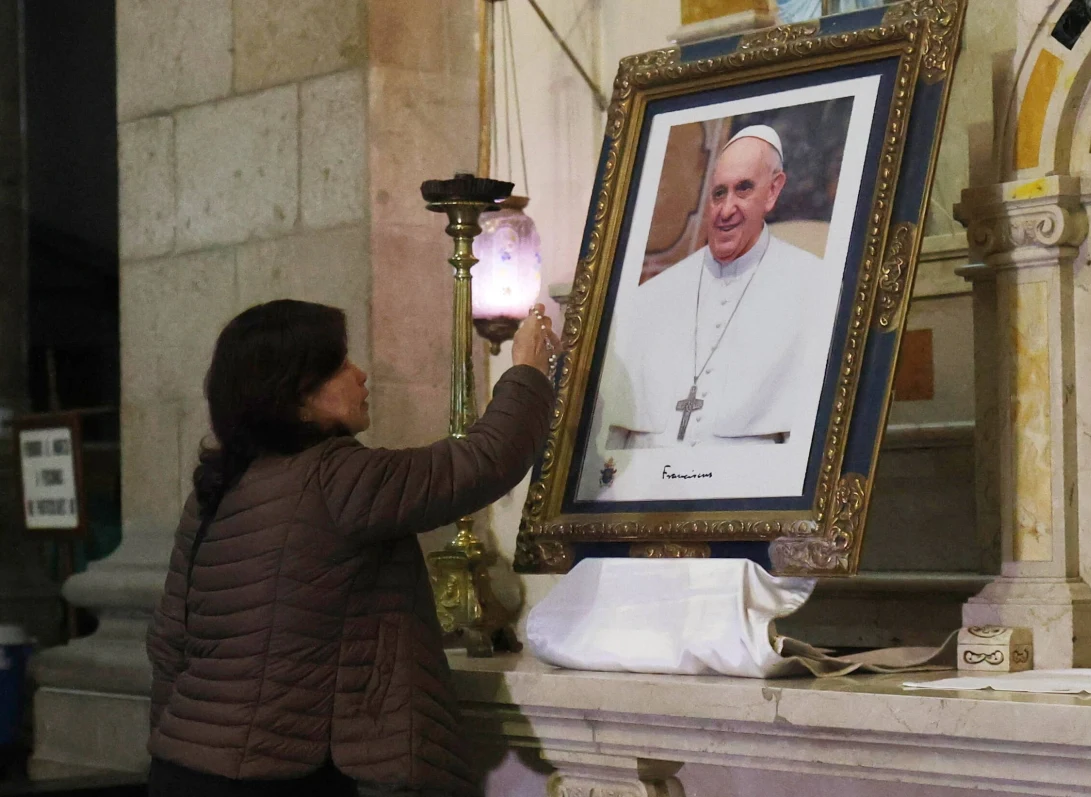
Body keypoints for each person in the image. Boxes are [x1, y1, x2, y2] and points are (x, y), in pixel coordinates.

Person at [145, 299, 560, 797]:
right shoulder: (336, 476)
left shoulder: (214, 490)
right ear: (298, 395)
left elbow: (169, 643)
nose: (361, 375)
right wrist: (527, 370)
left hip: (184, 768)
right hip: (288, 777)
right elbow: (483, 461)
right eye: (340, 365)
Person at [603, 124, 843, 450]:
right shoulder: (650, 299)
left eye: (743, 189)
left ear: (773, 190)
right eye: (719, 193)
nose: (726, 210)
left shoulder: (816, 288)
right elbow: (613, 444)